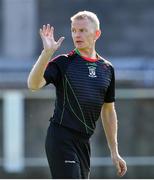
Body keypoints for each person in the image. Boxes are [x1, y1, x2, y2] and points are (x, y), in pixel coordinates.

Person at [27, 10, 127, 179]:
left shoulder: (107, 69)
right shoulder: (63, 62)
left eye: (82, 30)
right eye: (74, 30)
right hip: (61, 138)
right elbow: (33, 85)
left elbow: (109, 110)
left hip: (84, 142)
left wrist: (114, 151)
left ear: (96, 34)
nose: (76, 35)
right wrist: (47, 53)